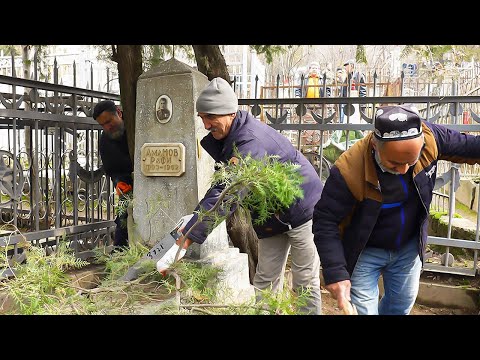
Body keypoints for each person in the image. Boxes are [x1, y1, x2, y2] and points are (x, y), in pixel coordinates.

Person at [157, 77, 323, 315]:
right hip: (270, 213)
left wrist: (187, 238)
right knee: (266, 278)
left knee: (304, 279)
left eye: (211, 117)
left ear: (230, 113)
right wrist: (192, 221)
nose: (205, 125)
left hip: (301, 209)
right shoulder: (231, 138)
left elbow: (227, 195)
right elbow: (222, 189)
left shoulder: (249, 142)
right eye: (202, 117)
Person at [312, 104, 480, 315]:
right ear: (374, 144)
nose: (402, 170)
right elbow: (325, 221)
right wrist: (336, 272)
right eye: (393, 164)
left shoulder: (431, 138)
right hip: (365, 251)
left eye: (411, 162)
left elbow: (470, 146)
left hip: (407, 250)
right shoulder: (349, 169)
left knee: (400, 307)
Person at [93, 100, 134, 248]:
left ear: (119, 112)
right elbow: (112, 169)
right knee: (124, 219)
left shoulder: (136, 126)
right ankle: (119, 255)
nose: (107, 127)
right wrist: (119, 183)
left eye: (109, 121)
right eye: (103, 125)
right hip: (127, 187)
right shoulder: (105, 140)